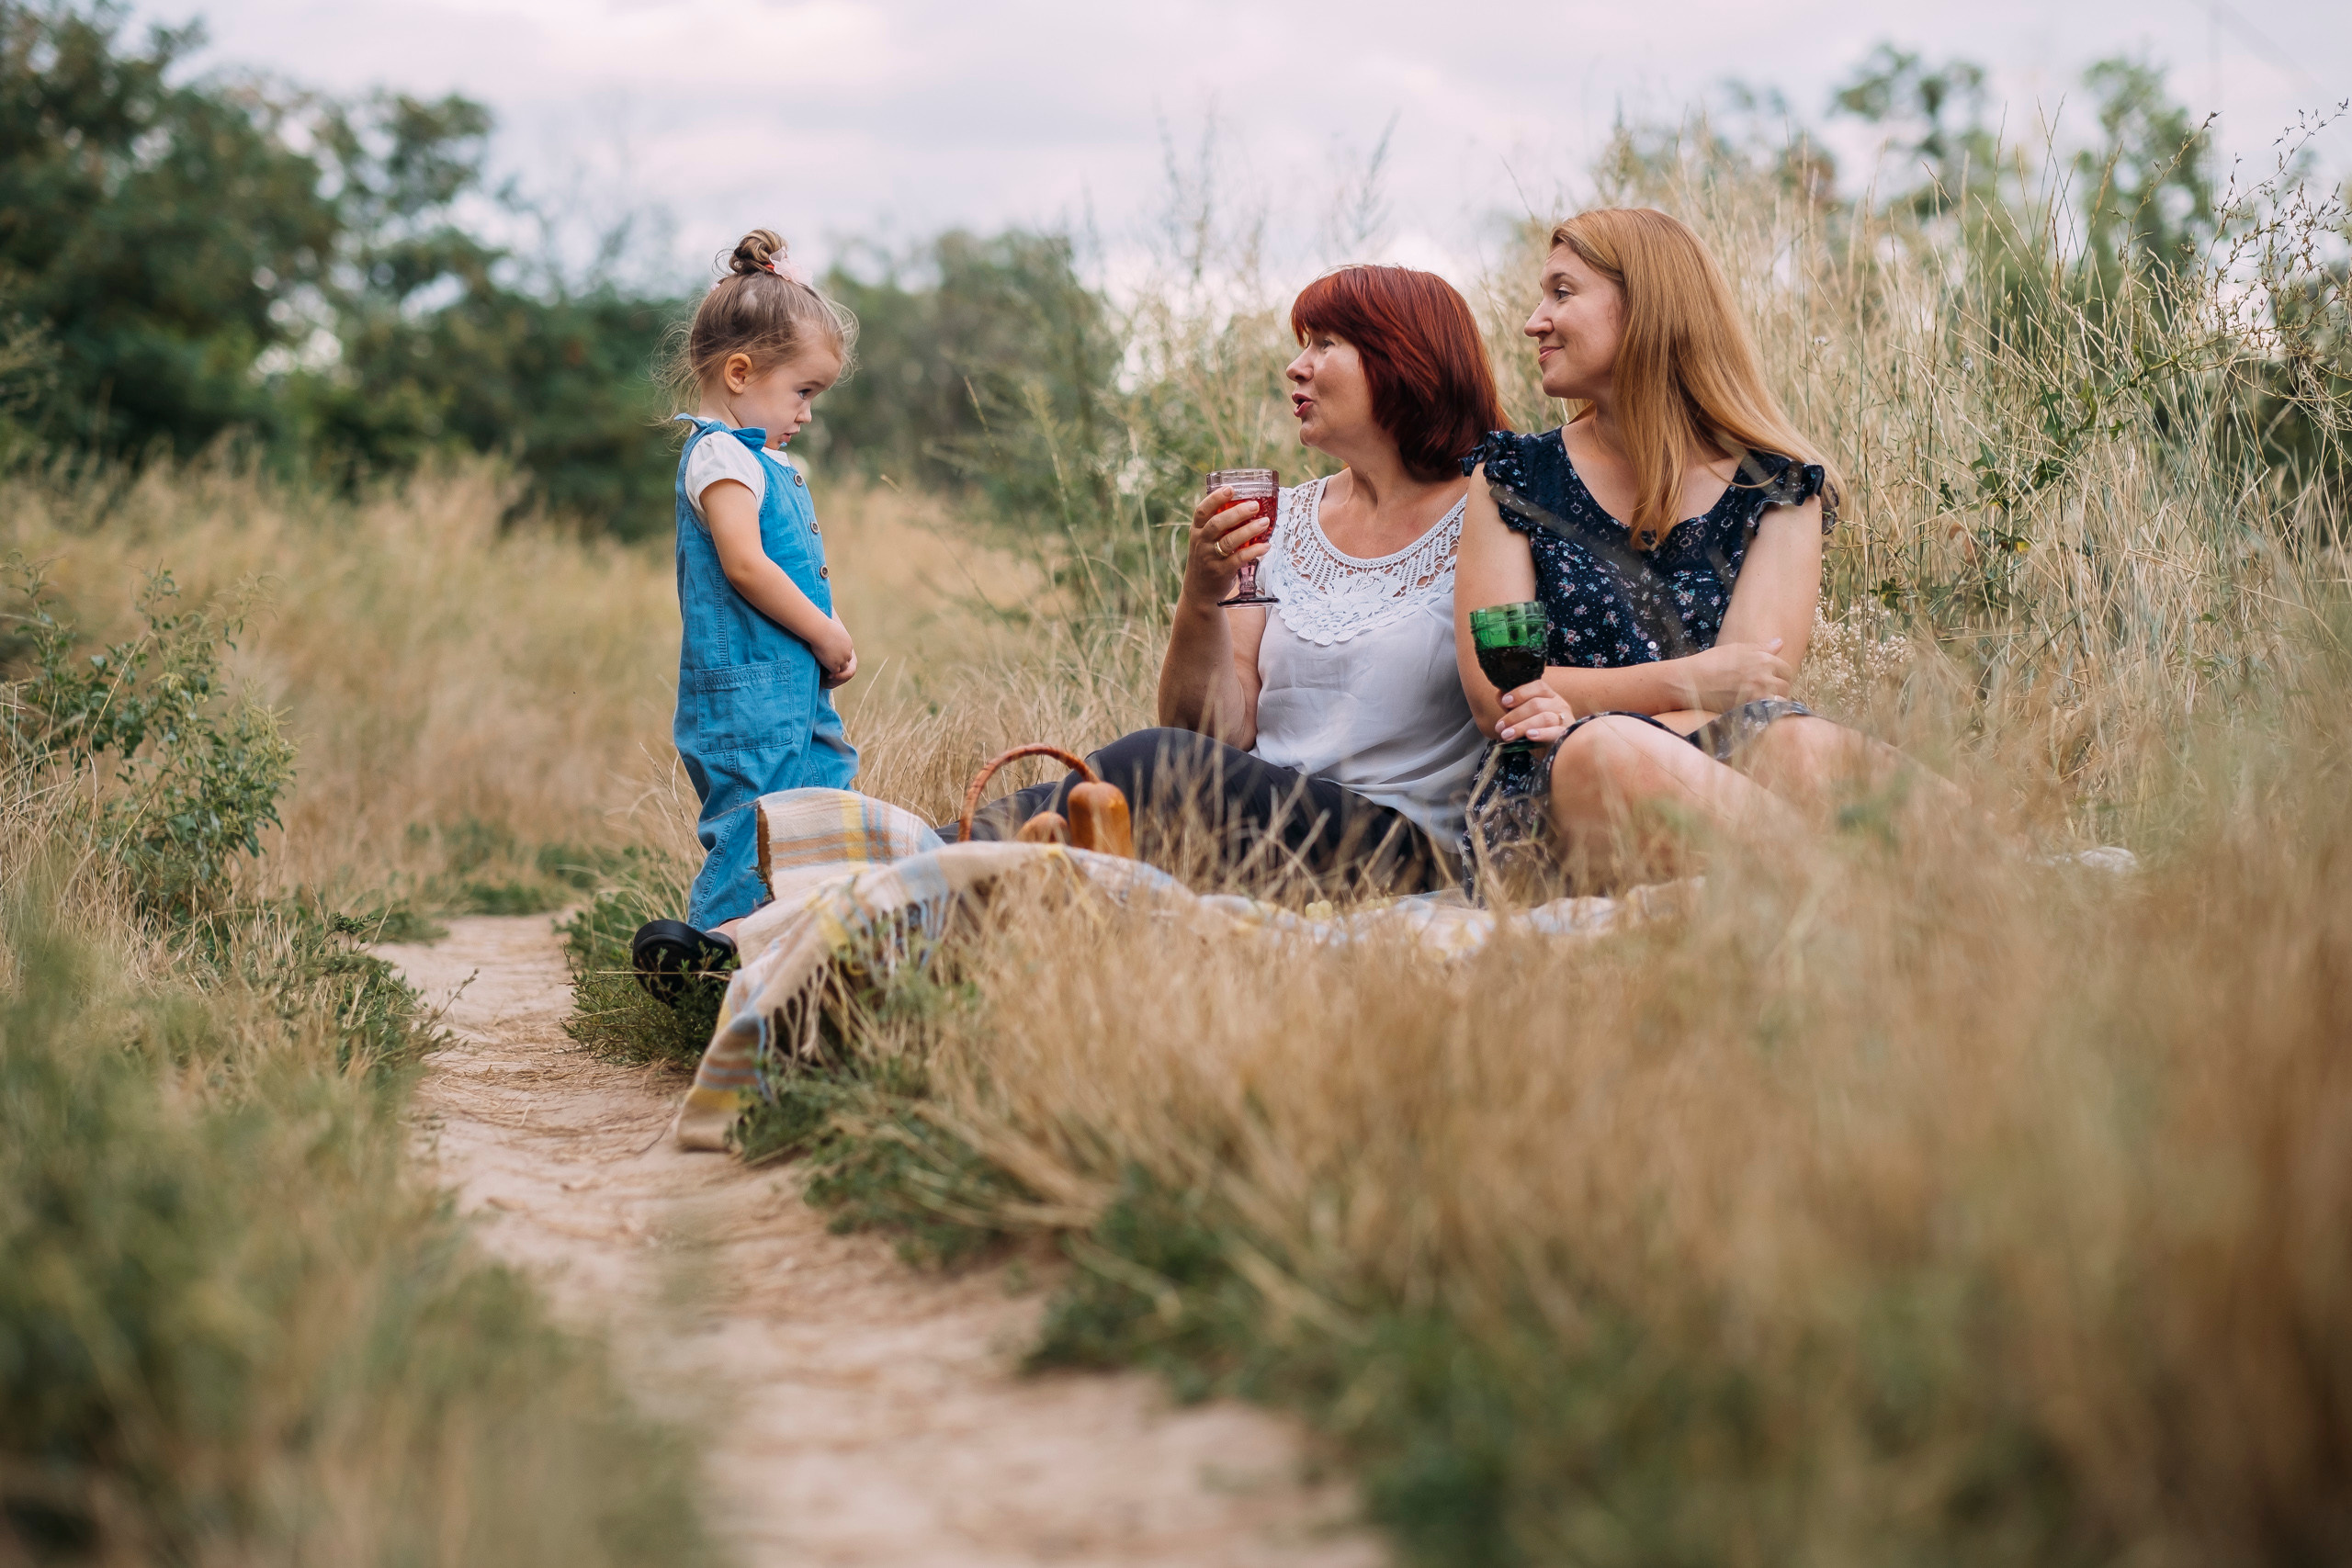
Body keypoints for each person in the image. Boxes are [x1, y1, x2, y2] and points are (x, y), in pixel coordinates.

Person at [970, 265, 1505, 894]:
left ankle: (949, 875)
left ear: (1403, 360)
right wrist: (1201, 593)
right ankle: (913, 857)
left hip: (1396, 841)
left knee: (1151, 763)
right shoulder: (1288, 516)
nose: (1296, 366)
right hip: (1261, 809)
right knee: (1082, 787)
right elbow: (1216, 733)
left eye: (1325, 343)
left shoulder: (1488, 513)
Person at [1453, 207, 1932, 892]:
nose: (1535, 320)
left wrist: (1592, 695)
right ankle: (1851, 899)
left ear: (1647, 306)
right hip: (1554, 791)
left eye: (1562, 292)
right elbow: (1496, 694)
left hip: (1712, 776)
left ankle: (2006, 882)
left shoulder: (1776, 485)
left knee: (1794, 740)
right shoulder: (1512, 477)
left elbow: (1747, 699)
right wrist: (1684, 681)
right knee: (1605, 748)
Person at [634, 229, 862, 992]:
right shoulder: (721, 455)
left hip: (792, 691)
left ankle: (808, 942)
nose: (807, 413)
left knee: (825, 804)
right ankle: (709, 948)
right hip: (745, 696)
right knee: (757, 820)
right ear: (740, 372)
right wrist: (825, 629)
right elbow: (743, 561)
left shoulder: (760, 456)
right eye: (803, 392)